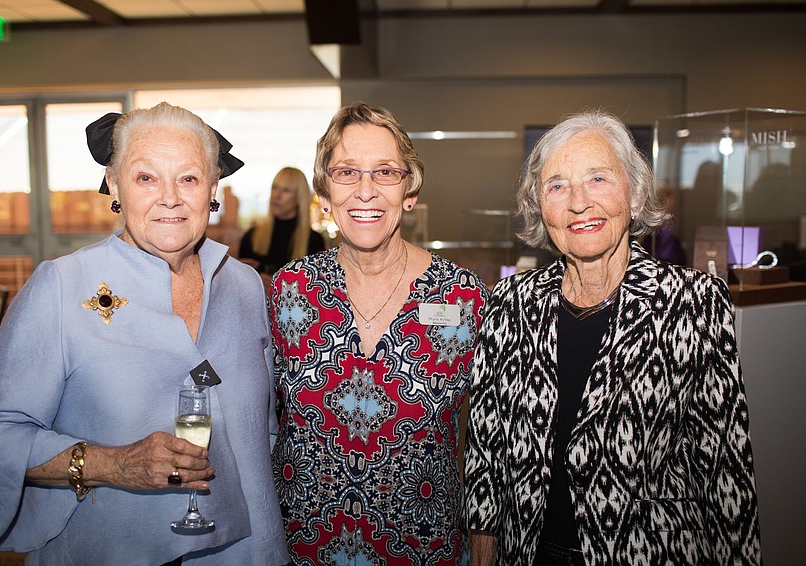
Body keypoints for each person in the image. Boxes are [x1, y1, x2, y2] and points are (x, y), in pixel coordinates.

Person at [0, 102, 289, 565]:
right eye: (146, 178)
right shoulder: (62, 286)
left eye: (189, 178)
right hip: (110, 549)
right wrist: (113, 465)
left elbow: (266, 432)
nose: (170, 197)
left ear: (213, 190)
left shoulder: (243, 285)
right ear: (115, 186)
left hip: (242, 550)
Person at [465, 109, 761, 565]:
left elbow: (726, 474)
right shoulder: (510, 302)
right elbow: (486, 453)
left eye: (598, 178)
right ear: (540, 207)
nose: (578, 203)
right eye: (557, 186)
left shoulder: (695, 303)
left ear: (635, 191)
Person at [269, 101, 489, 565]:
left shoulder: (461, 297)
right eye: (346, 172)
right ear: (324, 193)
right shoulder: (289, 290)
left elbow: (490, 443)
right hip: (305, 548)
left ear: (409, 190)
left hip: (426, 549)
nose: (366, 191)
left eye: (386, 172)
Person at [238, 166, 326, 287]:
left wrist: (280, 288)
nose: (276, 196)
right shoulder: (251, 236)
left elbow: (317, 290)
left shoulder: (314, 241)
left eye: (286, 190)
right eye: (275, 187)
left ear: (299, 198)